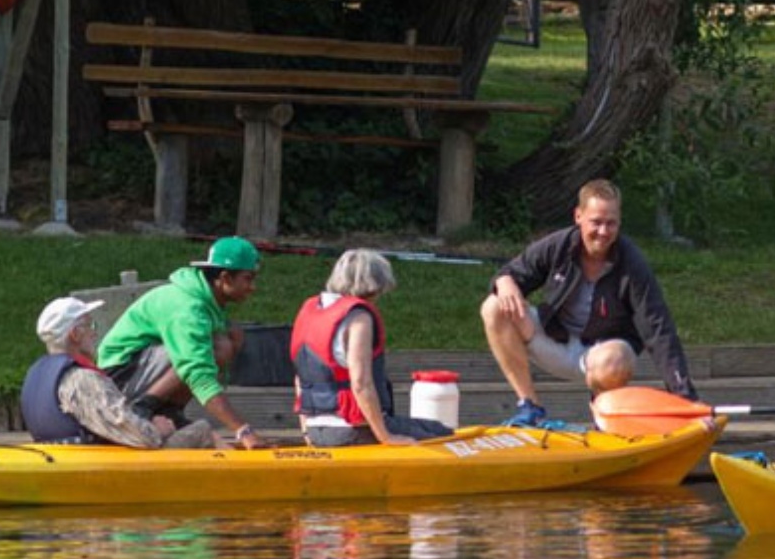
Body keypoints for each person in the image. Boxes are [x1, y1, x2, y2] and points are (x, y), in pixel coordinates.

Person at [481, 178, 698, 427]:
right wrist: (504, 280)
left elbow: (659, 329)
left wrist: (685, 398)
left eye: (611, 223)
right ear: (578, 216)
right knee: (493, 307)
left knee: (615, 359)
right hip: (554, 339)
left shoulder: (632, 262)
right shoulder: (557, 245)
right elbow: (513, 271)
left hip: (603, 356)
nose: (603, 232)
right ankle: (530, 407)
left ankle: (604, 421)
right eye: (596, 222)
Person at [96, 236, 270, 450]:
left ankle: (169, 413)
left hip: (142, 368)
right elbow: (198, 373)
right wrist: (244, 430)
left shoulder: (206, 299)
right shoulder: (188, 309)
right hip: (118, 379)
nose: (253, 287)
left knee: (231, 338)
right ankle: (140, 408)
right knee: (213, 347)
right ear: (225, 278)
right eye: (248, 278)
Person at [290, 249, 453, 447]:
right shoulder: (359, 317)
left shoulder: (311, 310)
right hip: (354, 430)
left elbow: (300, 380)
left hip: (316, 431)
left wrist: (307, 433)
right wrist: (386, 437)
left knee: (434, 428)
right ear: (373, 286)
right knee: (445, 437)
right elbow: (361, 383)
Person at [21, 296, 217, 448]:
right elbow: (135, 434)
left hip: (58, 455)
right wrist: (158, 429)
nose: (94, 332)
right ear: (75, 334)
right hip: (97, 462)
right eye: (89, 326)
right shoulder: (81, 378)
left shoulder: (36, 373)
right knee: (203, 431)